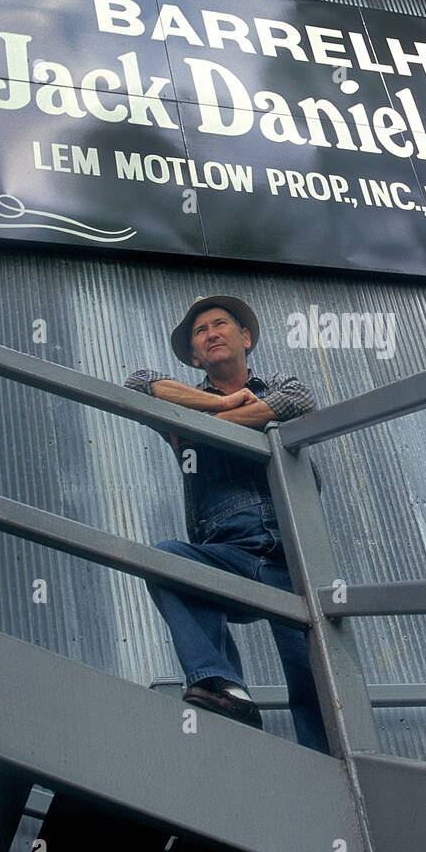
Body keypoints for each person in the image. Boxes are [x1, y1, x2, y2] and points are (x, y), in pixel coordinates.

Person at [124, 294, 329, 753]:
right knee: (167, 561)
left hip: (295, 554)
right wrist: (231, 404)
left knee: (314, 679)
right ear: (196, 355)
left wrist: (200, 425)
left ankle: (327, 770)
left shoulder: (280, 383)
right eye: (201, 331)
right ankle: (223, 688)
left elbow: (297, 400)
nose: (211, 332)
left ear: (246, 338)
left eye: (220, 324)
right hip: (231, 554)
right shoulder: (182, 400)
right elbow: (137, 384)